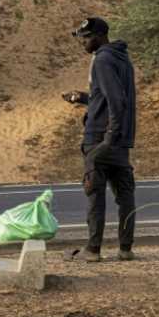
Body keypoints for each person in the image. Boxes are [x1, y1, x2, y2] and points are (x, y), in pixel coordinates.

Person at [61, 17, 137, 262]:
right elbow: (108, 96)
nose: (82, 42)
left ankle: (92, 250)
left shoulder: (102, 59)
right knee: (125, 195)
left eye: (86, 37)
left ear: (99, 36)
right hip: (121, 140)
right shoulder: (122, 58)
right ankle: (125, 249)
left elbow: (116, 100)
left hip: (101, 137)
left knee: (94, 192)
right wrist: (83, 97)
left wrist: (108, 138)